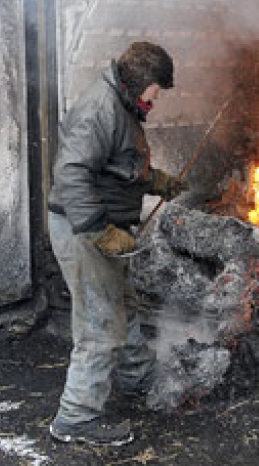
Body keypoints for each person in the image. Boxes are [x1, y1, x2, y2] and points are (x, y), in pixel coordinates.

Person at [46, 41, 186, 446]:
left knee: (123, 304)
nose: (156, 99)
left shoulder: (120, 106)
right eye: (155, 91)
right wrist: (98, 230)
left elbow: (118, 166)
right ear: (139, 82)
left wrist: (158, 181)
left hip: (100, 227)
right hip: (85, 231)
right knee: (99, 323)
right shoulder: (100, 111)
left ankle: (136, 375)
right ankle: (75, 419)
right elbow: (72, 174)